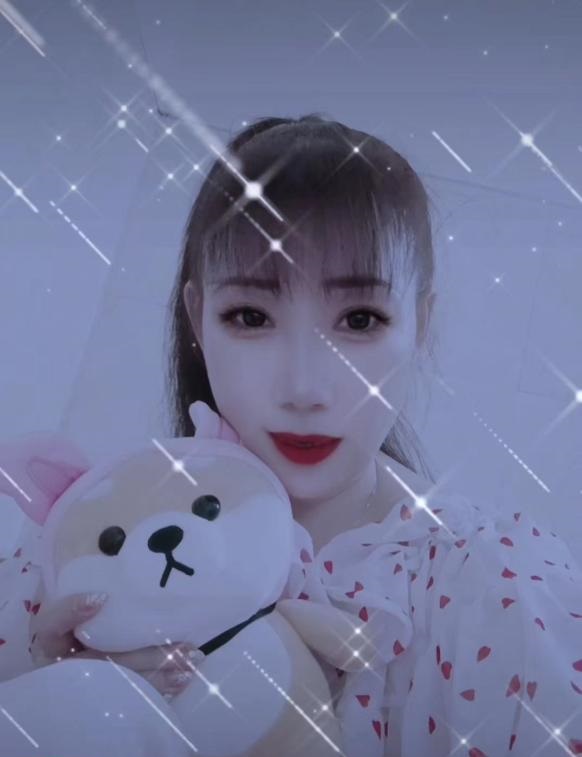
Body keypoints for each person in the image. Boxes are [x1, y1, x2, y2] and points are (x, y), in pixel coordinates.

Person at [0, 113, 579, 757]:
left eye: (360, 319)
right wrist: (55, 701)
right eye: (251, 316)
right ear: (197, 318)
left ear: (419, 325)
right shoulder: (80, 552)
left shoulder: (495, 595)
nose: (304, 386)